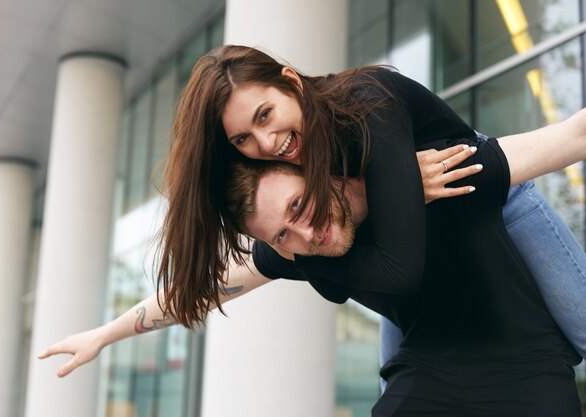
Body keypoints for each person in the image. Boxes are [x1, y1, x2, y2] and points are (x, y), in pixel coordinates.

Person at [40, 45, 586, 385]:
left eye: (265, 115)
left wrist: (388, 189)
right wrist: (106, 333)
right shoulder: (298, 212)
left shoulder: (370, 107)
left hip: (480, 199)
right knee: (403, 382)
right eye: (243, 138)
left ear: (291, 82)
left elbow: (567, 137)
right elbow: (221, 280)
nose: (268, 143)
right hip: (402, 257)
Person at [221, 126, 585, 415]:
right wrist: (164, 311)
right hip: (425, 320)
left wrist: (406, 182)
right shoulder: (305, 245)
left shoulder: (439, 169)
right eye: (283, 233)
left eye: (299, 205)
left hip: (498, 202)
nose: (306, 229)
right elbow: (231, 278)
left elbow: (572, 136)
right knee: (396, 394)